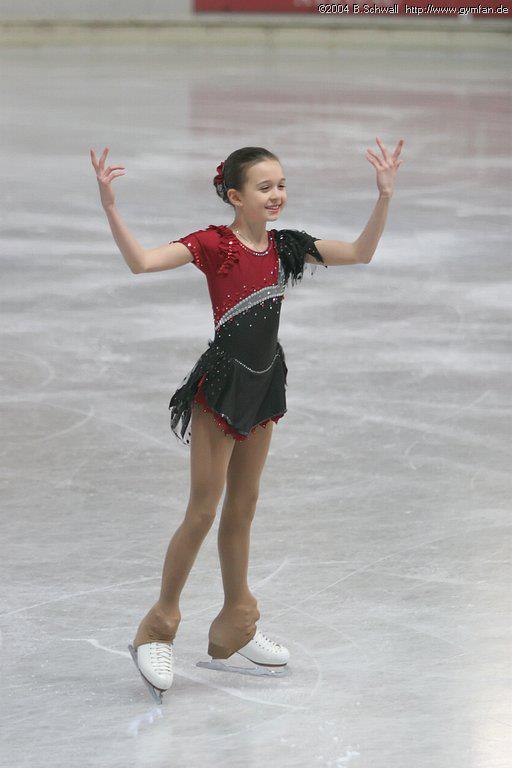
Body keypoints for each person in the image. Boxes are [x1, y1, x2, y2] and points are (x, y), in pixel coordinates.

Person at [90, 139, 404, 703]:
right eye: (264, 187)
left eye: (281, 185)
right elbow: (141, 263)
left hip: (264, 385)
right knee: (204, 510)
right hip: (222, 386)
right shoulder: (214, 244)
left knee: (243, 507)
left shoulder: (286, 247)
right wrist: (112, 206)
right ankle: (156, 626)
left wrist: (382, 198)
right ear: (235, 196)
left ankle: (236, 624)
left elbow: (360, 251)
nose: (277, 194)